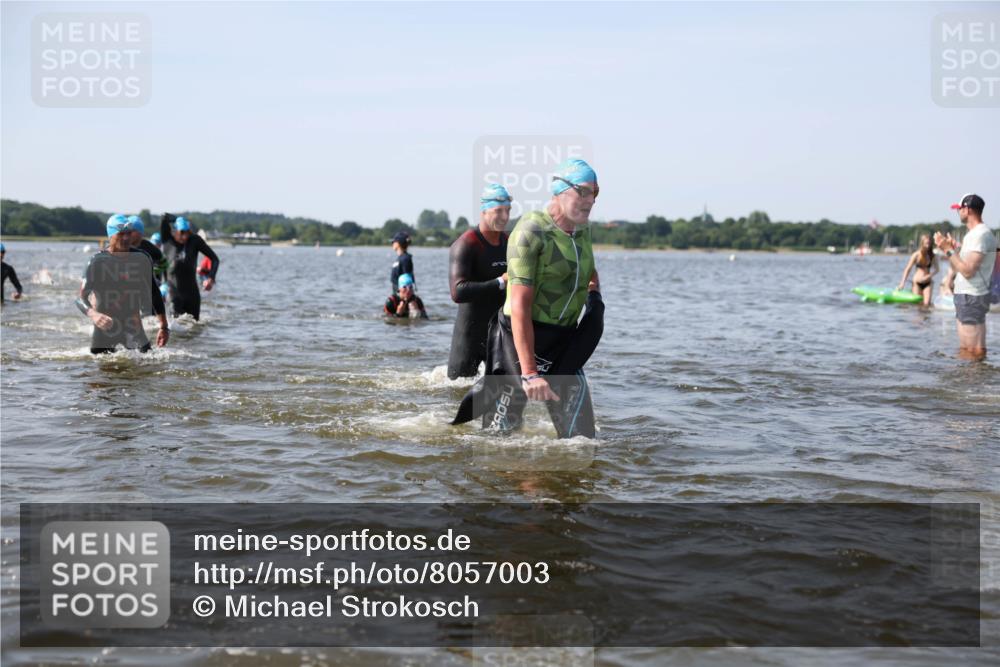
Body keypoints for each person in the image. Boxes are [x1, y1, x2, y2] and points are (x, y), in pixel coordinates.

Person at [453, 158, 603, 438]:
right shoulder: (531, 231)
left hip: (562, 344)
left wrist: (594, 293)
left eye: (595, 192)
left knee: (582, 442)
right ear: (560, 190)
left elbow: (587, 270)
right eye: (583, 191)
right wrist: (531, 373)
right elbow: (519, 307)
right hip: (519, 346)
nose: (590, 200)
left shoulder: (582, 230)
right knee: (500, 444)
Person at [76, 215, 169, 354]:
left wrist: (164, 326)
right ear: (110, 235)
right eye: (121, 234)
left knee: (149, 367)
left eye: (128, 234)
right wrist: (94, 315)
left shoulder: (142, 258)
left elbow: (154, 293)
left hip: (134, 327)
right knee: (101, 372)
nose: (126, 238)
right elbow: (80, 298)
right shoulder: (97, 261)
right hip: (105, 328)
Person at [447, 183, 511, 379]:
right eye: (498, 211)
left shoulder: (510, 242)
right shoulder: (466, 244)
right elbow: (458, 292)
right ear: (484, 211)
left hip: (499, 336)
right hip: (469, 338)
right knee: (458, 395)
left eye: (508, 211)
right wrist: (500, 282)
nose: (504, 217)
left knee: (502, 392)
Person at [934, 193, 996, 360]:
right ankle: (973, 383)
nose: (958, 212)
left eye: (959, 209)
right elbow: (960, 267)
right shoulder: (975, 234)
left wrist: (948, 250)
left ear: (967, 209)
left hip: (972, 296)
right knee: (970, 349)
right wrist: (950, 250)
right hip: (970, 296)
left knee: (971, 351)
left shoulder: (980, 235)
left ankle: (971, 384)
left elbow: (968, 271)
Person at [159, 213, 220, 321]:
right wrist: (176, 218)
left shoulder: (194, 241)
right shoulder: (168, 240)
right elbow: (164, 217)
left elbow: (215, 259)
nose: (185, 236)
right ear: (175, 231)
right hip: (173, 292)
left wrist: (211, 278)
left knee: (194, 326)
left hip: (192, 294)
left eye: (187, 233)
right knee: (176, 325)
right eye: (181, 233)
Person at [896, 233, 938, 306]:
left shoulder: (932, 256)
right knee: (917, 304)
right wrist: (902, 283)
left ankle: (928, 316)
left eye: (929, 243)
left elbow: (937, 269)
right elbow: (907, 269)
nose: (928, 245)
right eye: (926, 243)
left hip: (928, 283)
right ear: (922, 243)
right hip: (917, 282)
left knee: (926, 304)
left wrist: (928, 276)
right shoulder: (916, 255)